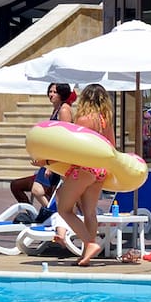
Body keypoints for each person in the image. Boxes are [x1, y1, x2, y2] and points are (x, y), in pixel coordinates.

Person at [53, 84, 114, 267]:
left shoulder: (82, 118)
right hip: (100, 170)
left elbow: (74, 146)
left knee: (63, 208)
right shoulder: (105, 120)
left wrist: (49, 161)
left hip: (84, 169)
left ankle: (89, 243)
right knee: (89, 212)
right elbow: (111, 146)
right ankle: (85, 255)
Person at [9, 83, 74, 214]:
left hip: (57, 159)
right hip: (51, 157)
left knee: (38, 190)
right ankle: (52, 213)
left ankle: (54, 214)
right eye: (50, 91)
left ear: (62, 93)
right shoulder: (57, 109)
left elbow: (64, 138)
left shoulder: (64, 110)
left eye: (54, 92)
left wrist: (51, 163)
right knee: (38, 190)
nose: (51, 94)